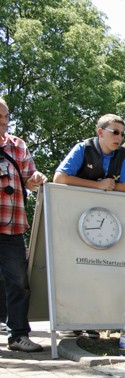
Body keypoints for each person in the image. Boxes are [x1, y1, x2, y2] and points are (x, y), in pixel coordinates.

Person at [0, 97, 48, 351]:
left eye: (5, 116)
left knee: (18, 280)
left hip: (12, 226)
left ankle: (18, 335)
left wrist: (36, 178)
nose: (4, 122)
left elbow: (30, 180)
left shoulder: (18, 145)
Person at [54, 114, 125, 193]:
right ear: (100, 132)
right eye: (115, 132)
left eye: (122, 134)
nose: (119, 137)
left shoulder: (121, 154)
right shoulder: (83, 148)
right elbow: (60, 178)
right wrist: (98, 185)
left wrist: (110, 185)